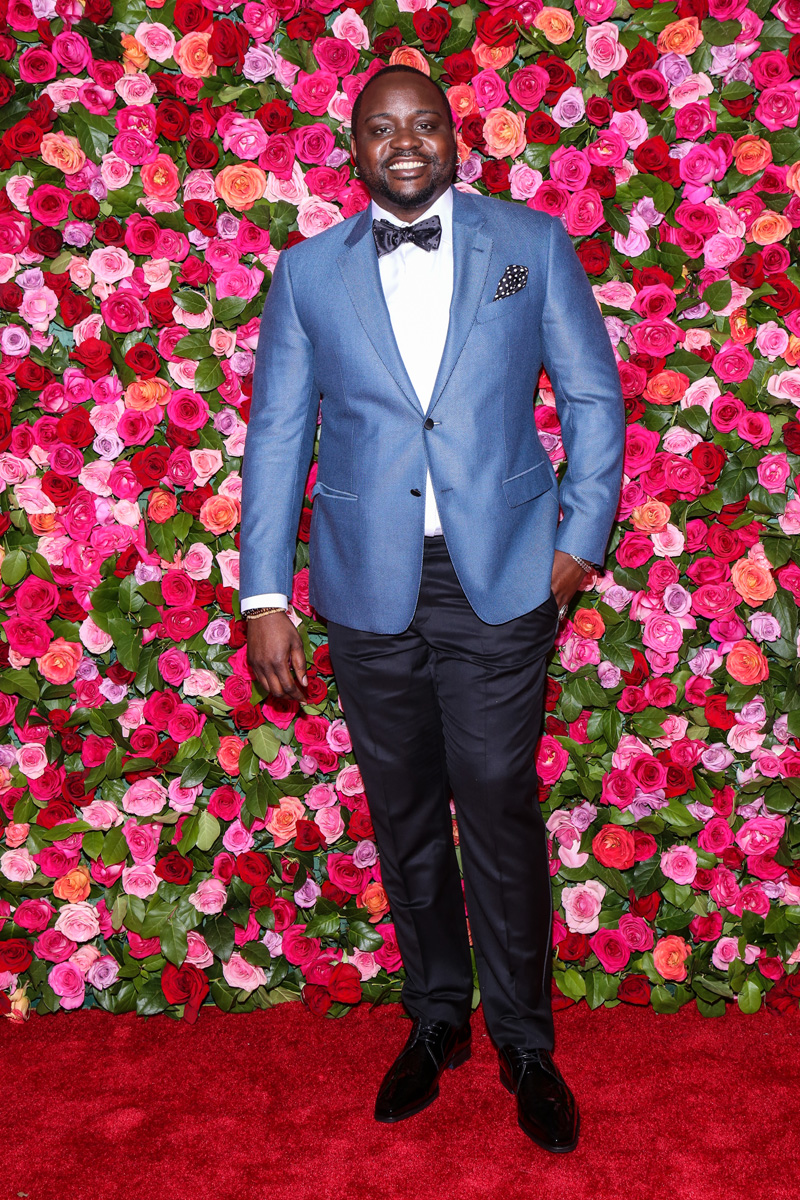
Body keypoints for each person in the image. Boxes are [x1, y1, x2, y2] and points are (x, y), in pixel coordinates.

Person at [240, 64, 624, 1153]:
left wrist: (576, 545)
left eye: (423, 124)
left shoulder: (527, 245)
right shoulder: (308, 273)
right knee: (403, 810)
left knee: (495, 800)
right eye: (380, 127)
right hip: (365, 584)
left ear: (455, 137)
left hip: (501, 576)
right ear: (350, 146)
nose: (403, 142)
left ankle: (524, 1041)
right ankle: (436, 1021)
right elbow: (277, 433)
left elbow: (591, 398)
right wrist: (264, 591)